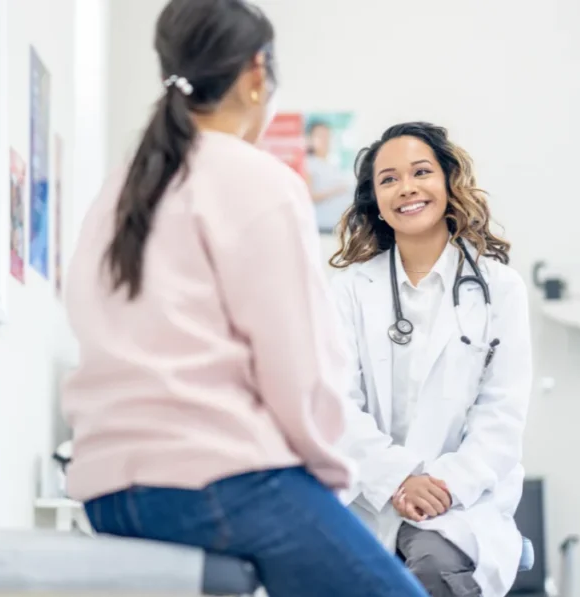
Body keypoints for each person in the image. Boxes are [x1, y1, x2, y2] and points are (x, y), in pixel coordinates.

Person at [59, 2, 430, 596]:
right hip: (221, 484)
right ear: (258, 72)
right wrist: (329, 488)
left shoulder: (121, 189)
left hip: (107, 495)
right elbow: (299, 372)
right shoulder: (260, 181)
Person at [327, 122, 533, 597]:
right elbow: (335, 406)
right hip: (369, 496)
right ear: (374, 200)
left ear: (448, 181)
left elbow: (500, 419)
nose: (407, 188)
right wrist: (399, 478)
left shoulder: (499, 289)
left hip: (461, 503)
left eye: (421, 172)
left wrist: (436, 486)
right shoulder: (350, 291)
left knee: (433, 570)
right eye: (389, 179)